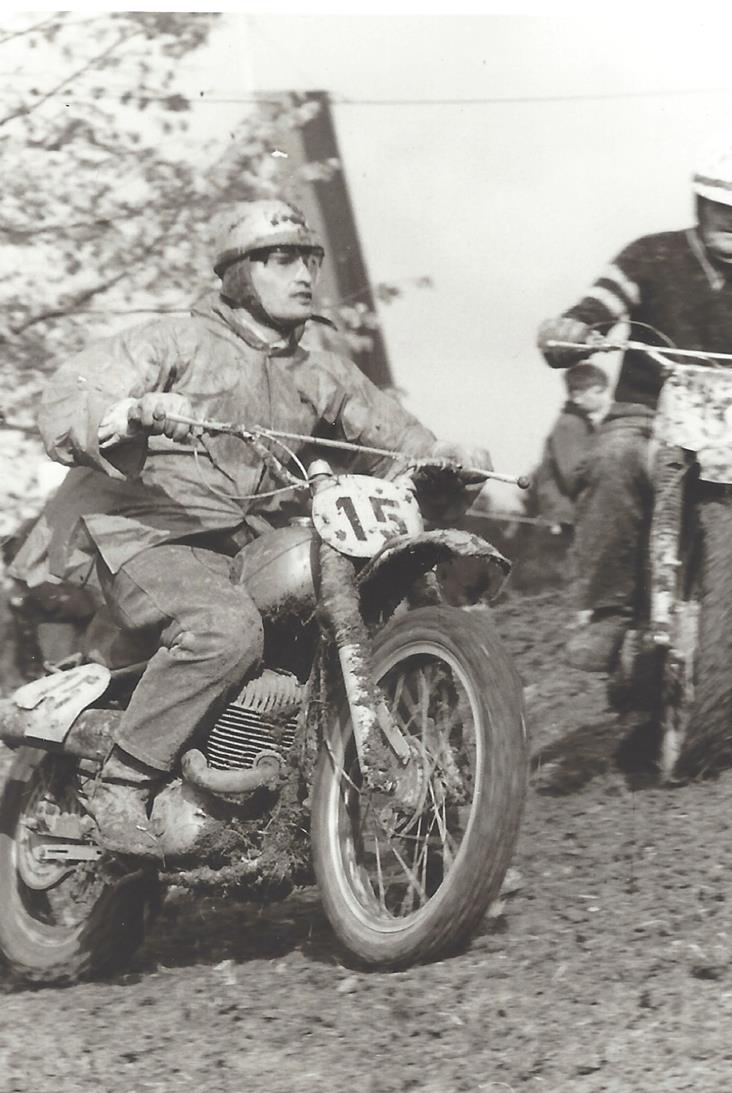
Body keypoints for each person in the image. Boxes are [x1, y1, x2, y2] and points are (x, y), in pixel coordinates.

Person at [32, 198, 490, 857]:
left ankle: (439, 838)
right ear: (238, 273)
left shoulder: (321, 370)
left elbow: (400, 440)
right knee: (227, 630)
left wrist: (451, 462)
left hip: (241, 545)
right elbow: (70, 394)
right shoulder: (175, 341)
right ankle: (121, 785)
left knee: (344, 620)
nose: (303, 274)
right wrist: (134, 411)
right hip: (147, 533)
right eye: (280, 260)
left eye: (309, 259)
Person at [537, 138, 732, 671]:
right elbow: (597, 307)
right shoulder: (650, 256)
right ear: (700, 204)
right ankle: (607, 610)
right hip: (646, 412)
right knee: (611, 462)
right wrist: (573, 331)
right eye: (723, 206)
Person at [530, 363, 610, 534]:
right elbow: (575, 475)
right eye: (598, 392)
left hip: (571, 516)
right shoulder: (570, 424)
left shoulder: (581, 424)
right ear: (577, 396)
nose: (606, 398)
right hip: (564, 519)